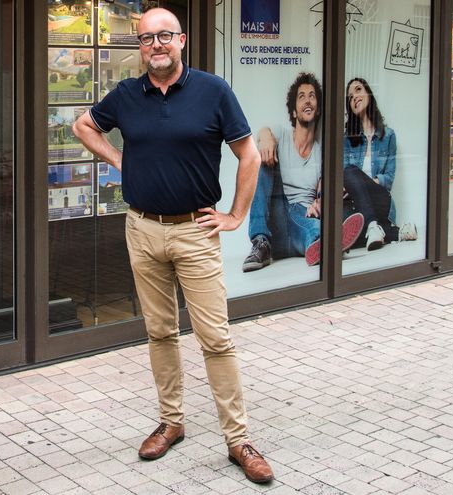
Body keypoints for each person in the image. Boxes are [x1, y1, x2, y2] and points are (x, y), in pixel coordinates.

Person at [72, 7, 274, 484]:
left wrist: (236, 216)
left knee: (215, 338)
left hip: (195, 231)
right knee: (160, 333)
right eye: (146, 39)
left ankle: (238, 439)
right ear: (140, 47)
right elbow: (84, 126)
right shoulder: (126, 94)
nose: (156, 45)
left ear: (181, 41)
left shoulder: (212, 91)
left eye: (164, 37)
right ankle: (171, 422)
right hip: (142, 230)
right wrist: (122, 161)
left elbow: (248, 154)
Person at [243, 73, 364, 271]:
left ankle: (321, 243)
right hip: (279, 219)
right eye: (301, 96)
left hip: (301, 224)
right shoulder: (280, 134)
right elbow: (263, 132)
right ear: (293, 111)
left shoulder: (320, 152)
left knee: (314, 226)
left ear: (317, 110)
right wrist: (264, 136)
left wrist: (319, 204)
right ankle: (260, 242)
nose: (307, 100)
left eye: (312, 96)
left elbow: (322, 189)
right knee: (264, 160)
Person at [343, 77, 417, 250]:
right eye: (350, 96)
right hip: (355, 205)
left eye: (358, 90)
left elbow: (389, 180)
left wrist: (363, 184)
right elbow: (344, 180)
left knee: (351, 171)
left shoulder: (388, 136)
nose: (354, 97)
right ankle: (393, 232)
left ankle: (372, 226)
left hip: (381, 199)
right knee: (344, 230)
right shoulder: (346, 139)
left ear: (369, 93)